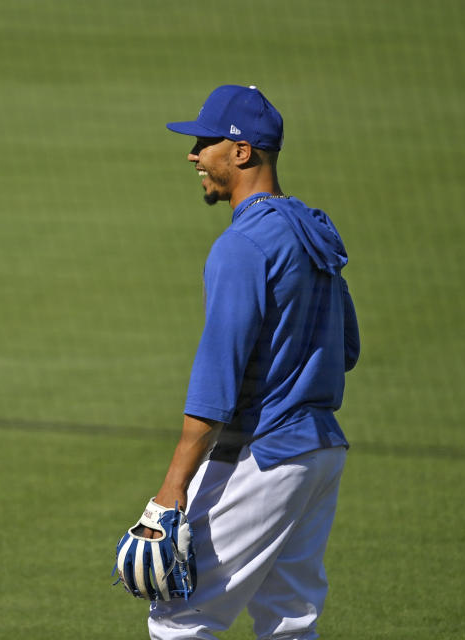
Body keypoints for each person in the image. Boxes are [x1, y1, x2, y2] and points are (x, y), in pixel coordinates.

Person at [143, 85, 360, 639]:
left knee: (180, 619)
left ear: (242, 152)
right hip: (321, 452)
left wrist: (171, 489)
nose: (193, 154)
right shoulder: (312, 230)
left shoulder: (241, 246)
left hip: (267, 454)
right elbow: (348, 348)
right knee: (289, 621)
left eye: (204, 142)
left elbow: (216, 379)